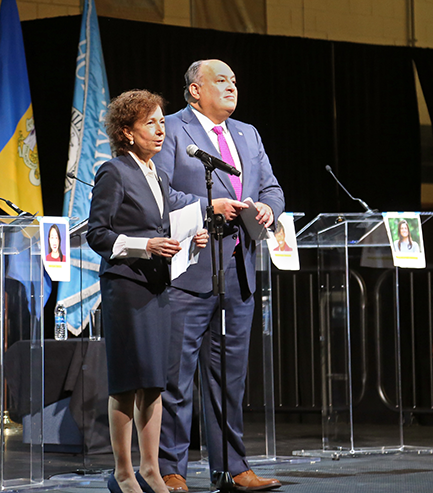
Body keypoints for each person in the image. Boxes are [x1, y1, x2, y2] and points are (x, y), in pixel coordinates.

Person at [152, 59, 284, 492]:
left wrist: (268, 208)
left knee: (229, 378)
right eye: (221, 80)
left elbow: (271, 188)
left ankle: (233, 468)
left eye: (234, 81)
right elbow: (158, 192)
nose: (232, 87)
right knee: (177, 377)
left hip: (238, 270)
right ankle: (170, 470)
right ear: (194, 90)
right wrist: (208, 206)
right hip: (188, 269)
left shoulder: (248, 133)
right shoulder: (170, 129)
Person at [87, 89, 208, 493]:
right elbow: (97, 234)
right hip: (126, 288)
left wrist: (191, 240)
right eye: (150, 123)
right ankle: (122, 472)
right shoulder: (114, 171)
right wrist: (145, 246)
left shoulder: (159, 174)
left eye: (162, 121)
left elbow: (164, 228)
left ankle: (151, 469)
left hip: (158, 288)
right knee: (127, 381)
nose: (161, 130)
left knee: (155, 381)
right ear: (127, 132)